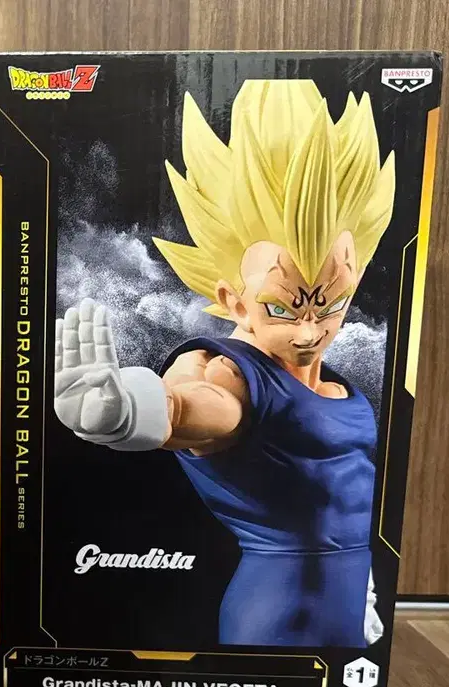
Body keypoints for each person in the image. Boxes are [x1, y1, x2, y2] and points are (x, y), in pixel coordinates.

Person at [54, 80, 392, 647]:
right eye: (282, 307)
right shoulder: (226, 371)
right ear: (234, 300)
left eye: (332, 303)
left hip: (353, 610)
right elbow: (196, 407)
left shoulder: (333, 383)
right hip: (280, 617)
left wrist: (367, 587)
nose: (311, 331)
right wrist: (128, 413)